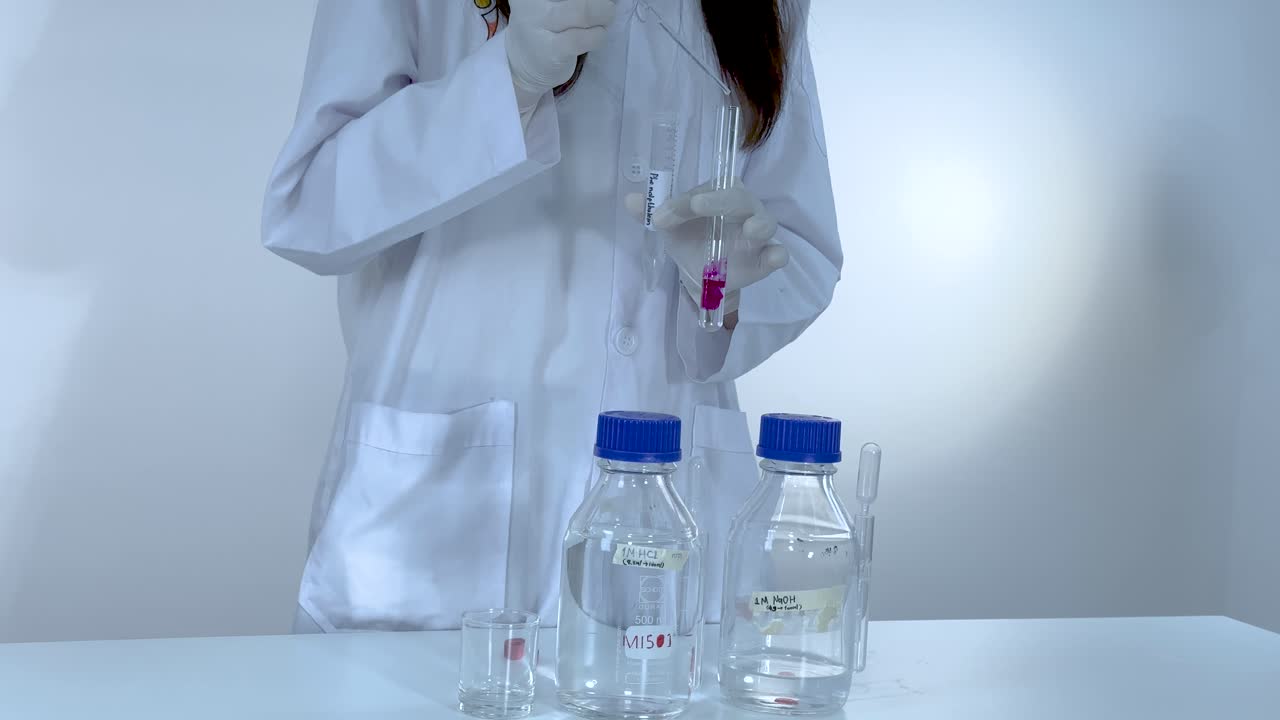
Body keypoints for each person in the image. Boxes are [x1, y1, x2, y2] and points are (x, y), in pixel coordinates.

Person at [261, 0, 841, 634]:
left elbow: (802, 248)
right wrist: (506, 78)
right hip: (439, 516)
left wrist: (718, 288)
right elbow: (309, 207)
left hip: (665, 515)